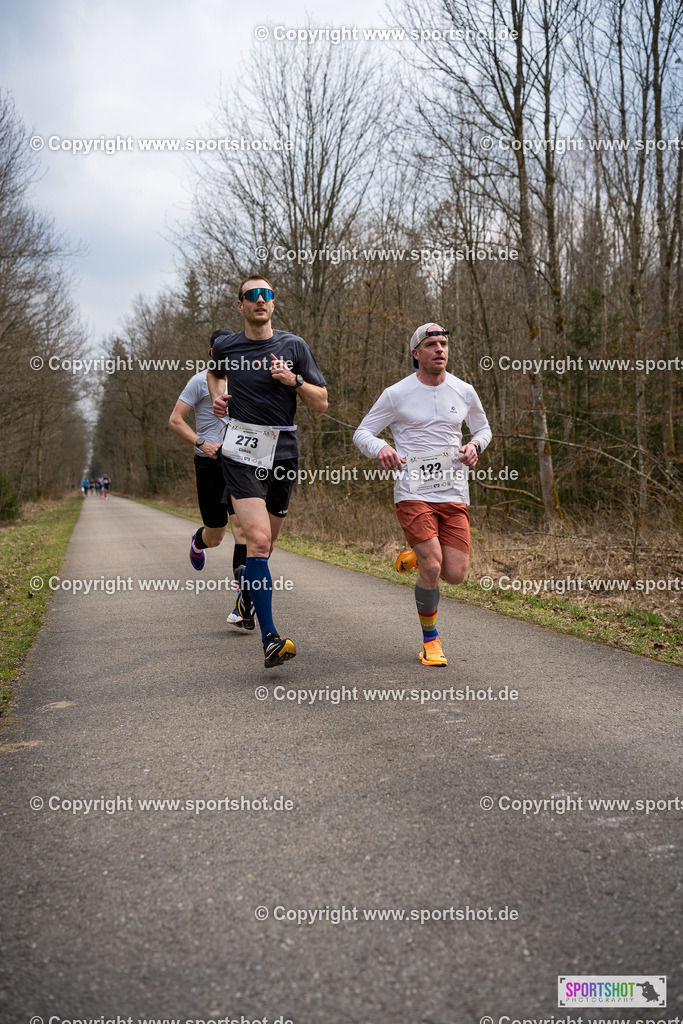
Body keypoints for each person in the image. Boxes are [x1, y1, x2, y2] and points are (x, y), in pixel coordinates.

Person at [353, 322, 492, 667]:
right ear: (416, 354)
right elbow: (363, 432)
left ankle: (417, 555)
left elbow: (483, 429)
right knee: (433, 565)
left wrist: (475, 445)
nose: (439, 350)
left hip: (453, 491)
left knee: (455, 574)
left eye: (443, 343)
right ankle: (430, 641)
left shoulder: (464, 390)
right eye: (431, 344)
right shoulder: (396, 394)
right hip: (412, 491)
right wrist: (381, 447)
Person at [208, 275, 328, 668]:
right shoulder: (227, 345)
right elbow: (214, 372)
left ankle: (246, 589)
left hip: (283, 452)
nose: (260, 300)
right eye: (252, 295)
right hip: (240, 450)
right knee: (257, 541)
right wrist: (217, 397)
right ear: (240, 305)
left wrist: (293, 381)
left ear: (273, 304)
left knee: (267, 547)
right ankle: (271, 638)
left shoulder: (293, 346)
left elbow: (322, 402)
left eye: (267, 294)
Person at [168, 368, 254, 629]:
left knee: (241, 529)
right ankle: (198, 540)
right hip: (209, 463)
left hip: (239, 462)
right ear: (212, 353)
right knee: (216, 536)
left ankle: (243, 605)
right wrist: (201, 442)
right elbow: (175, 420)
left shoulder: (246, 379)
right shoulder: (198, 381)